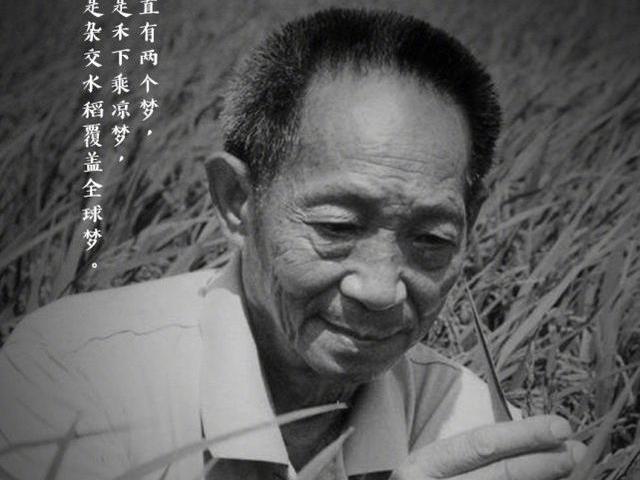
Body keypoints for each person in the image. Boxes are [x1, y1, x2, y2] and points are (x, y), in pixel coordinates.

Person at [0, 8, 586, 480]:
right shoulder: (78, 373)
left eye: (431, 238)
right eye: (337, 228)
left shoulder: (462, 418)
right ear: (237, 201)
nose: (380, 289)